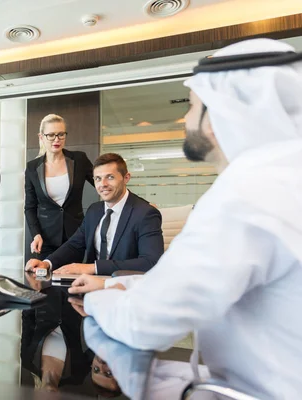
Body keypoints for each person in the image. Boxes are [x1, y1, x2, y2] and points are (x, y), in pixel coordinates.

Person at [69, 39, 302, 398]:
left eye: (192, 107)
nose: (185, 118)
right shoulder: (281, 176)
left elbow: (146, 323)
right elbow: (180, 285)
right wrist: (113, 286)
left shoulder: (248, 192)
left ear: (219, 112)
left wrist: (97, 300)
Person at [25, 153, 163, 276]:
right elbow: (74, 245)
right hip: (90, 289)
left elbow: (150, 262)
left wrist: (93, 268)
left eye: (110, 177)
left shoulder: (145, 214)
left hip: (125, 291)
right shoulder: (94, 211)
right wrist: (47, 263)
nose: (102, 184)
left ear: (126, 178)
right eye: (97, 178)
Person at [24, 114, 95, 260]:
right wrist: (36, 234)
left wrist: (139, 202)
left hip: (75, 237)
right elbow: (30, 207)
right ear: (41, 137)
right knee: (45, 281)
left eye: (61, 134)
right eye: (51, 135)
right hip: (45, 238)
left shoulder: (79, 159)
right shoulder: (32, 168)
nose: (57, 139)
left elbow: (103, 184)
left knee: (73, 280)